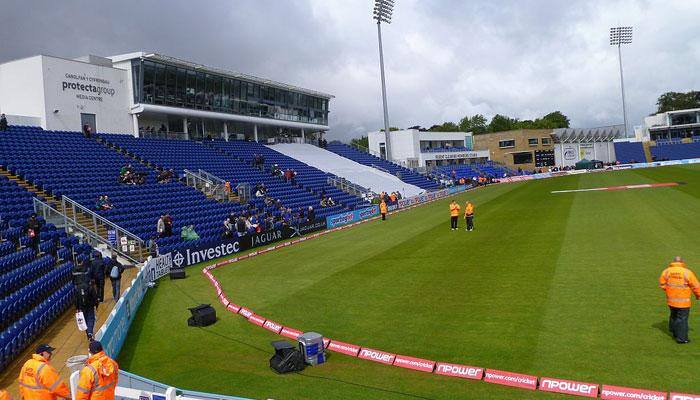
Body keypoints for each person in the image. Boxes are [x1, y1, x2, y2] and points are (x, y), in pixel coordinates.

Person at [659, 256, 700, 344]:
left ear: (673, 262)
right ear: (682, 262)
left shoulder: (666, 271)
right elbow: (696, 286)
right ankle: (681, 338)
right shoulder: (687, 272)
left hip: (671, 300)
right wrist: (698, 295)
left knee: (674, 315)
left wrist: (669, 290)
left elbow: (662, 284)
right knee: (682, 319)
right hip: (683, 301)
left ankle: (674, 332)